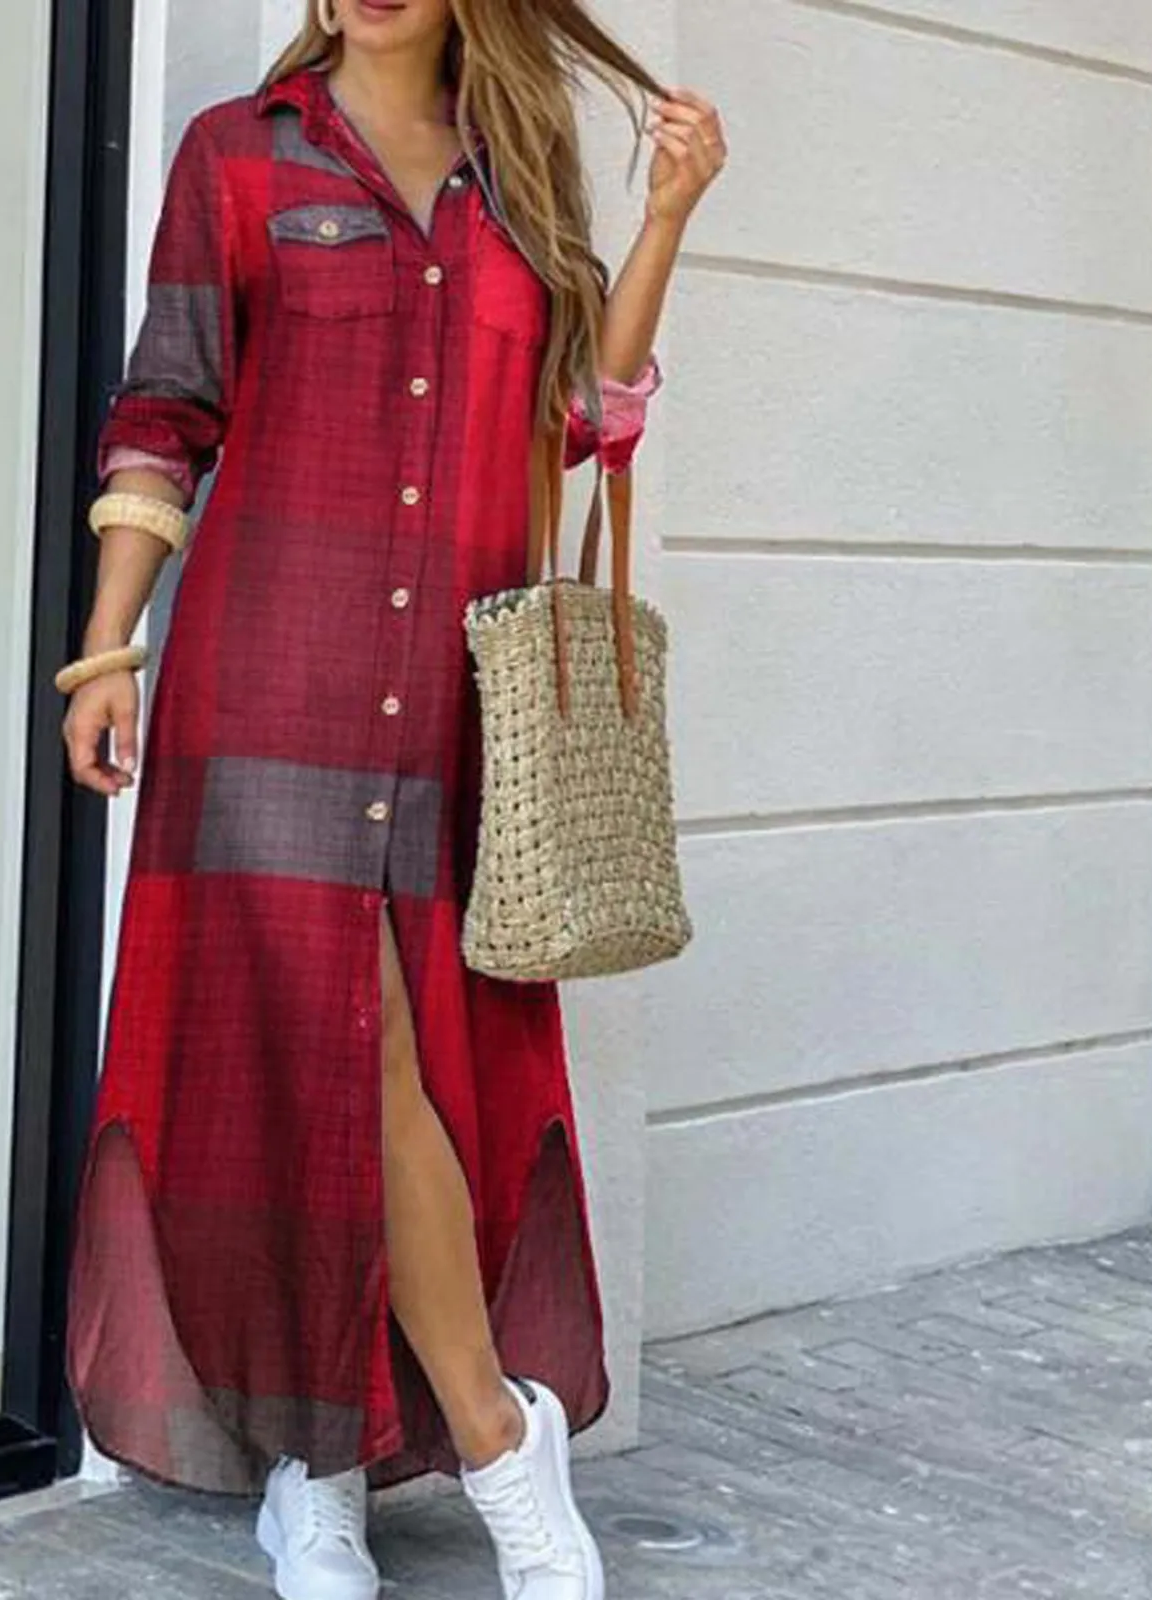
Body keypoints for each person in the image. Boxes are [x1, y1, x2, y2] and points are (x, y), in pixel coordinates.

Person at [60, 3, 725, 1597]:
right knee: (319, 1059)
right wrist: (109, 649)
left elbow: (586, 418)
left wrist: (668, 218)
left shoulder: (520, 180)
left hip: (447, 700)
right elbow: (163, 413)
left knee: (381, 1064)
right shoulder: (237, 156)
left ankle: (328, 1462)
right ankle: (486, 1443)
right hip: (267, 675)